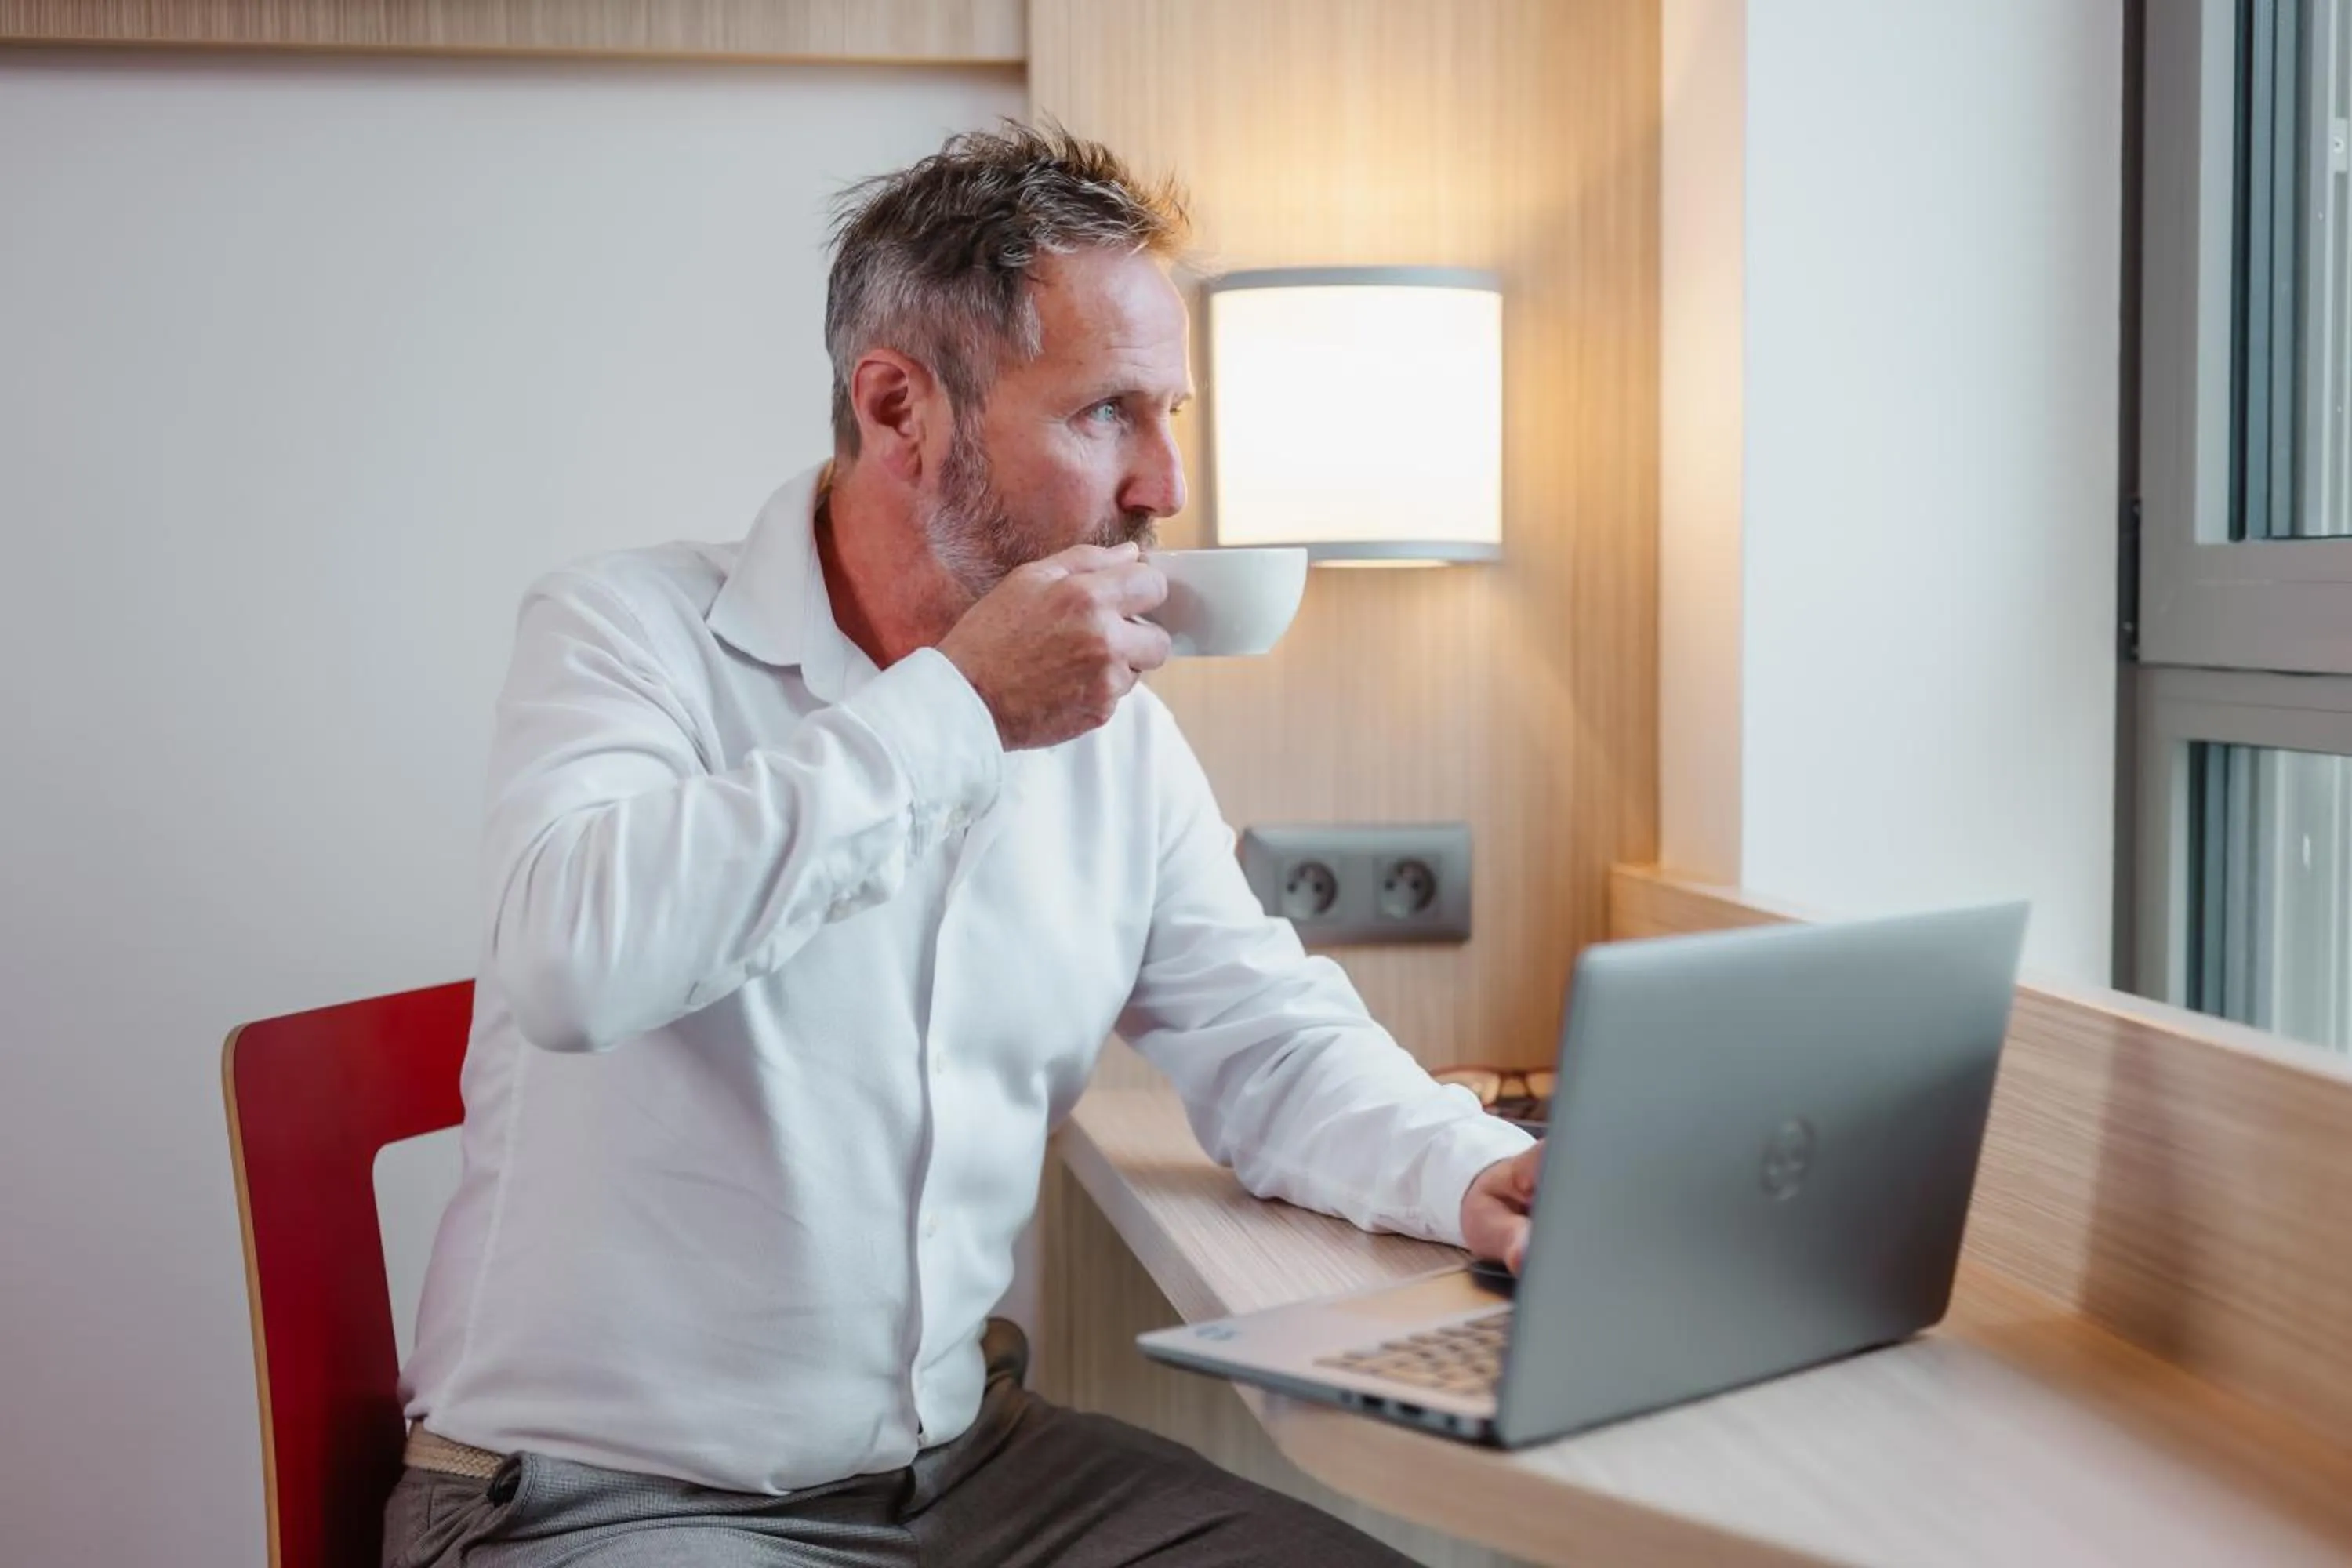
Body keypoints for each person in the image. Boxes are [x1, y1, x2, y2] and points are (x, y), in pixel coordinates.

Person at [383, 122, 1540, 1568]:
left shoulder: (1110, 733)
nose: (1169, 484)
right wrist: (962, 712)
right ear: (898, 411)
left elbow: (1267, 1041)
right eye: (1109, 412)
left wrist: (1470, 1168)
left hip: (972, 1480)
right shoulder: (625, 633)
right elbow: (575, 961)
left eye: (1170, 412)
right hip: (602, 1498)